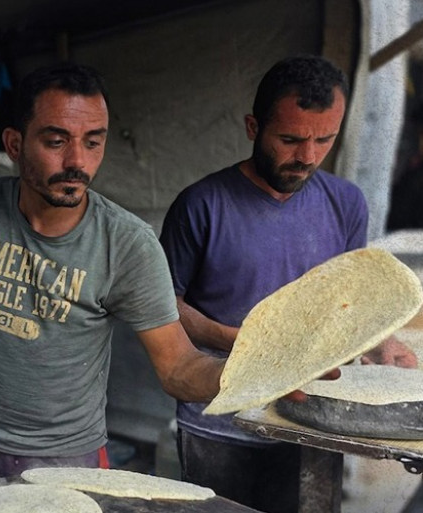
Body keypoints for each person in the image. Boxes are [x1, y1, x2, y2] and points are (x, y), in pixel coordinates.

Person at [0, 62, 226, 488]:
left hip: (63, 454)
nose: (78, 161)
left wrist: (256, 377)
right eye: (56, 141)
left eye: (93, 142)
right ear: (14, 143)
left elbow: (178, 367)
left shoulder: (127, 243)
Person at [159, 55, 418, 513]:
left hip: (313, 417)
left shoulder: (346, 203)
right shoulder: (201, 205)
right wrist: (248, 346)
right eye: (291, 139)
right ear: (252, 126)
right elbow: (164, 305)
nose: (309, 156)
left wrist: (381, 340)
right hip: (222, 419)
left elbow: (350, 298)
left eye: (325, 139)